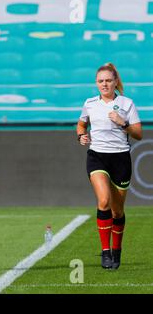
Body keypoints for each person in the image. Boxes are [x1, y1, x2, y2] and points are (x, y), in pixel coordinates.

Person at [77, 62, 142, 270]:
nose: (104, 84)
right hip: (97, 157)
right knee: (103, 200)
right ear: (96, 83)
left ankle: (117, 250)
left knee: (117, 212)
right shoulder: (90, 103)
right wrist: (81, 135)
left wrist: (123, 122)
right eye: (100, 81)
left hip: (120, 159)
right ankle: (105, 252)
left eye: (108, 80)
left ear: (115, 82)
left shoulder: (127, 103)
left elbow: (138, 135)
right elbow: (81, 124)